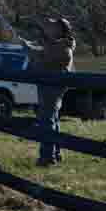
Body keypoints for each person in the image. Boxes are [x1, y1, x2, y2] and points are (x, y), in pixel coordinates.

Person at [26, 17, 75, 166]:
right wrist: (28, 46)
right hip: (48, 85)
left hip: (53, 87)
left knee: (46, 120)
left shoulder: (63, 47)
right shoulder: (54, 45)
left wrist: (27, 49)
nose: (49, 28)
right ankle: (55, 153)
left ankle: (47, 157)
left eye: (53, 26)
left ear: (60, 31)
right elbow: (41, 52)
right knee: (52, 118)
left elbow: (42, 56)